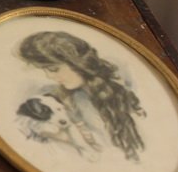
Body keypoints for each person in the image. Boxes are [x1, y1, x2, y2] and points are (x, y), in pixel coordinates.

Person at [18, 30, 147, 161]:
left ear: (78, 64)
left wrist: (67, 138)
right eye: (45, 70)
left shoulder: (116, 94)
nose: (49, 76)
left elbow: (111, 149)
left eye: (53, 69)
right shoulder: (63, 96)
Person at [16, 94, 103, 161]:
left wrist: (85, 146)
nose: (60, 116)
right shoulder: (29, 122)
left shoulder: (63, 117)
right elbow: (50, 132)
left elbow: (69, 127)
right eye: (46, 112)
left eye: (59, 109)